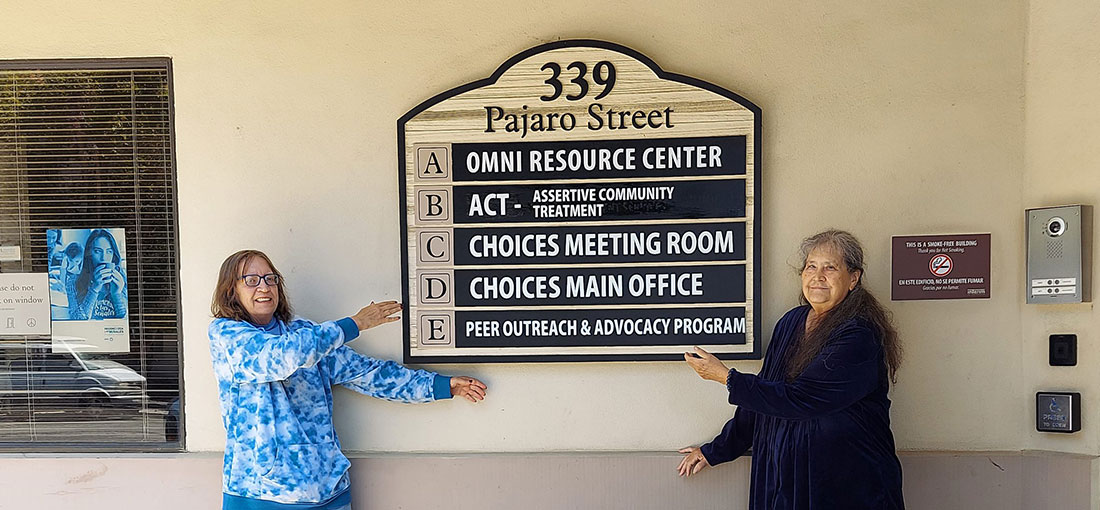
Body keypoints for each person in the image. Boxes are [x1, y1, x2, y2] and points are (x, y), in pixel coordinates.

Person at [209, 249, 487, 510]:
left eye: (271, 279)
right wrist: (355, 323)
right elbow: (279, 358)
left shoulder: (305, 332)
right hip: (262, 494)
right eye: (251, 280)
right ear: (231, 290)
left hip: (328, 487)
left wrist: (440, 386)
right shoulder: (226, 335)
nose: (264, 287)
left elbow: (366, 373)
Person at [679, 230, 904, 509]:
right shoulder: (792, 322)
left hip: (845, 485)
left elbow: (802, 399)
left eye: (830, 267)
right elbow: (763, 396)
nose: (817, 276)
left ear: (853, 279)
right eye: (811, 266)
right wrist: (717, 450)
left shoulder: (859, 334)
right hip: (785, 484)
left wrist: (726, 377)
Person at [66, 229, 126, 319]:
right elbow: (77, 320)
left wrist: (116, 294)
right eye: (98, 251)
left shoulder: (122, 279)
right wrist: (94, 289)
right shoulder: (72, 281)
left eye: (109, 251)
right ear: (89, 254)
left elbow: (126, 321)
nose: (104, 258)